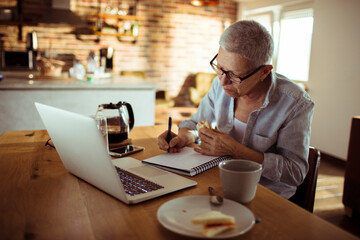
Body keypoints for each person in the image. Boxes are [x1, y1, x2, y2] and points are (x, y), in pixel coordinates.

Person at [157, 20, 314, 199]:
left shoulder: (295, 104)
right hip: (218, 183)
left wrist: (235, 150)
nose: (223, 81)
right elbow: (194, 124)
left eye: (234, 75)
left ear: (264, 72)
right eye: (220, 68)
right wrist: (183, 137)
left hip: (266, 195)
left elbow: (295, 172)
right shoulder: (220, 84)